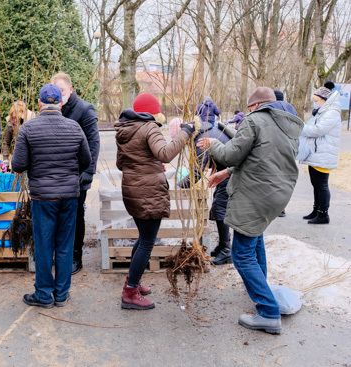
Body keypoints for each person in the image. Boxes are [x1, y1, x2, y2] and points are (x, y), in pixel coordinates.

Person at [197, 86, 303, 334]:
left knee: (242, 254)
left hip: (256, 194)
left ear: (254, 106)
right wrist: (225, 174)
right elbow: (261, 159)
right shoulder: (287, 124)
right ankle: (260, 289)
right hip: (276, 194)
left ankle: (268, 312)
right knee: (255, 238)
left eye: (249, 108)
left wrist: (213, 144)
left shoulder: (254, 120)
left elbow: (231, 155)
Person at [11, 84, 91, 308]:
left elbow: (18, 165)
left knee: (44, 245)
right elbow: (85, 161)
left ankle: (44, 295)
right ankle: (62, 294)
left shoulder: (29, 128)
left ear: (39, 103)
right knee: (64, 244)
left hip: (43, 197)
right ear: (61, 103)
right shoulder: (74, 128)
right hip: (69, 195)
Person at [115, 93, 193, 310]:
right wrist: (185, 133)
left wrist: (147, 165)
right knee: (148, 242)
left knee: (143, 237)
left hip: (132, 190)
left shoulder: (125, 129)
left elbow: (122, 163)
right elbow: (166, 154)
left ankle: (134, 281)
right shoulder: (150, 127)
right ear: (152, 111)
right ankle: (130, 293)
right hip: (148, 193)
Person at [51, 72, 100, 274]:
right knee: (58, 215)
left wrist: (88, 171)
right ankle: (61, 253)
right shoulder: (52, 109)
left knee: (76, 216)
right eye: (55, 91)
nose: (58, 95)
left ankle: (75, 255)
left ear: (70, 90)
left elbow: (93, 142)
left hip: (77, 174)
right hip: (55, 174)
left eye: (61, 90)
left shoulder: (84, 109)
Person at [177, 116, 232, 265]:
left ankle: (227, 250)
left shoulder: (201, 139)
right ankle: (223, 245)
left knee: (220, 207)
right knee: (219, 206)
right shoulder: (206, 131)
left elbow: (197, 172)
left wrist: (178, 187)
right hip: (226, 171)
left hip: (231, 172)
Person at [299, 81, 341, 225]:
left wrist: (301, 128)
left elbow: (317, 130)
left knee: (321, 185)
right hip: (317, 153)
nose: (315, 103)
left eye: (316, 100)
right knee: (315, 184)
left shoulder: (331, 113)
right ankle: (316, 210)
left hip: (324, 153)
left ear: (324, 99)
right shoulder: (322, 112)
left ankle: (323, 214)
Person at [266, 90, 299, 218]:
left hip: (274, 148)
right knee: (283, 179)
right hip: (290, 148)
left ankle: (273, 207)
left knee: (272, 177)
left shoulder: (271, 110)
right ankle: (282, 208)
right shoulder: (291, 110)